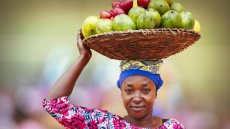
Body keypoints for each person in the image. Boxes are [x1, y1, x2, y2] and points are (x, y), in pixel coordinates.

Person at [42, 31, 185, 129]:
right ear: (121, 93)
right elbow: (54, 105)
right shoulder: (106, 124)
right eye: (129, 90)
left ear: (156, 93)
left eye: (145, 90)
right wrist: (83, 58)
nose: (136, 98)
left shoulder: (172, 127)